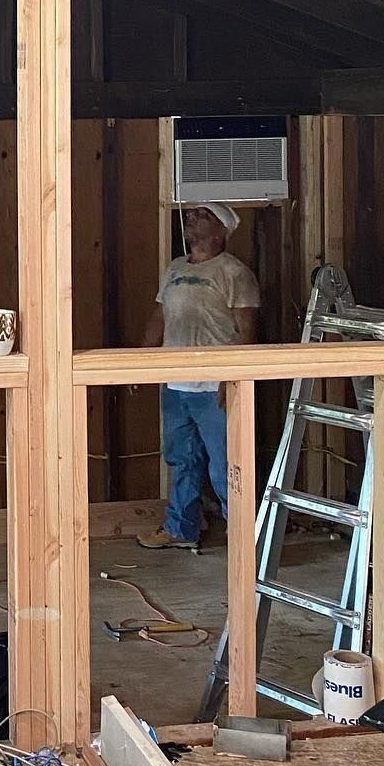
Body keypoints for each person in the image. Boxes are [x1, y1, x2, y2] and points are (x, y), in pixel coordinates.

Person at [136, 202, 260, 550]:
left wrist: (233, 379)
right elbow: (160, 317)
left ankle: (244, 538)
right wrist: (142, 359)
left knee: (227, 465)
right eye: (190, 214)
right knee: (181, 459)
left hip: (214, 387)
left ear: (222, 230)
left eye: (202, 215)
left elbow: (247, 331)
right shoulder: (175, 268)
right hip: (175, 384)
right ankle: (180, 528)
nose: (191, 218)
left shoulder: (234, 273)